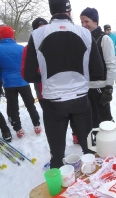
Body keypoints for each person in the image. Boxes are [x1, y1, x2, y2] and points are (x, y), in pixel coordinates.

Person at [24, 0, 104, 168]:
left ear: (51, 11)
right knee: (89, 149)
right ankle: (94, 180)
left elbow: (28, 74)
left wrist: (45, 77)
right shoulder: (84, 33)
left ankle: (59, 183)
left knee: (57, 153)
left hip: (53, 102)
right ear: (69, 12)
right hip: (81, 99)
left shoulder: (37, 34)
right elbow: (98, 71)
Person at [0, 26, 41, 138]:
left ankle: (18, 129)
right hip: (23, 81)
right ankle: (36, 124)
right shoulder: (21, 48)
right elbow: (27, 65)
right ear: (12, 36)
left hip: (8, 83)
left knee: (13, 107)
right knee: (29, 104)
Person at [80, 7, 116, 128]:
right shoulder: (84, 39)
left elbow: (111, 65)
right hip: (87, 87)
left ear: (95, 21)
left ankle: (110, 144)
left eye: (86, 21)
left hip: (101, 86)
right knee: (92, 120)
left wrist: (109, 88)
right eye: (82, 22)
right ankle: (95, 144)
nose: (84, 25)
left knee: (105, 120)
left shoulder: (104, 39)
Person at [104, 24, 116, 88]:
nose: (109, 31)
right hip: (106, 55)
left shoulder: (113, 36)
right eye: (108, 29)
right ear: (105, 30)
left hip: (114, 55)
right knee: (107, 69)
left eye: (110, 29)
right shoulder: (103, 36)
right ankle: (107, 83)